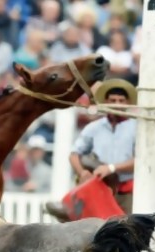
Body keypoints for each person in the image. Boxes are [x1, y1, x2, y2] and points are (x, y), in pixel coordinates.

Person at [45, 78, 137, 218]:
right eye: (112, 100)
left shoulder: (137, 128)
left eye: (121, 100)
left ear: (128, 103)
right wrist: (82, 172)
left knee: (126, 229)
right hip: (100, 187)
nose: (116, 104)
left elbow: (141, 161)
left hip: (126, 190)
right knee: (94, 228)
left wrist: (111, 168)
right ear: (105, 102)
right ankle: (67, 209)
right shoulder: (94, 128)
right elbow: (74, 154)